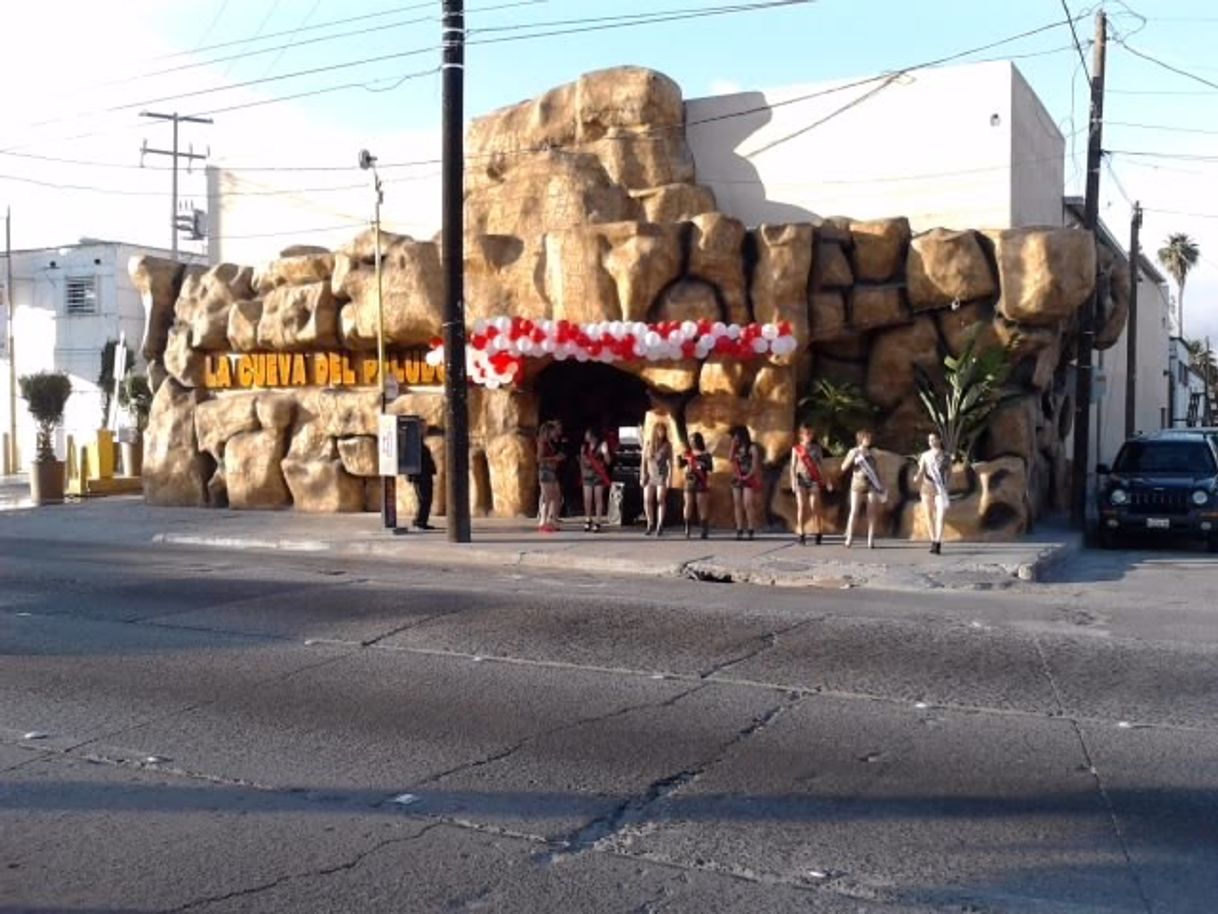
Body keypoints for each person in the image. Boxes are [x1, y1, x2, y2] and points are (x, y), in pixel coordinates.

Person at [840, 429, 888, 549]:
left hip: (871, 485)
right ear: (861, 439)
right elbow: (843, 467)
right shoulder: (854, 451)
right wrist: (852, 458)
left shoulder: (872, 453)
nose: (869, 440)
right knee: (854, 511)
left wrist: (881, 485)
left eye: (870, 438)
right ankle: (849, 538)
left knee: (871, 512)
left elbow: (876, 471)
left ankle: (870, 539)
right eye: (867, 438)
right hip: (857, 485)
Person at [789, 424, 832, 545]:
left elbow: (821, 465)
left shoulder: (816, 448)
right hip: (801, 479)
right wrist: (792, 481)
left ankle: (818, 531)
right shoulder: (796, 449)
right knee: (801, 506)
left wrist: (827, 480)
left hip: (813, 479)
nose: (809, 436)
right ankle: (801, 532)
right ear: (801, 435)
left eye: (811, 434)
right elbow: (793, 467)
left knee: (814, 506)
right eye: (806, 434)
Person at [913, 431, 952, 554]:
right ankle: (933, 541)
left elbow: (949, 472)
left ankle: (938, 540)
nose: (931, 442)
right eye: (929, 440)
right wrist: (917, 477)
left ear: (939, 440)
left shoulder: (946, 456)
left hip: (940, 487)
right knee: (928, 514)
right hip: (927, 487)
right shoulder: (925, 455)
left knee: (940, 515)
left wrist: (946, 485)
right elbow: (921, 470)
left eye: (934, 439)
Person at [729, 425, 763, 540]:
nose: (735, 438)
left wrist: (748, 476)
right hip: (737, 478)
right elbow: (730, 459)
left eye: (736, 436)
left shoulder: (752, 448)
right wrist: (733, 445)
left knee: (748, 503)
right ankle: (739, 529)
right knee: (737, 503)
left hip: (748, 477)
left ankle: (751, 528)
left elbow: (754, 465)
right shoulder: (736, 448)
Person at [641, 420, 674, 535]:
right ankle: (650, 523)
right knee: (647, 499)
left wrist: (670, 477)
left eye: (664, 431)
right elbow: (643, 461)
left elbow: (670, 463)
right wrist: (642, 475)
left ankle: (660, 524)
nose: (663, 433)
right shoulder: (648, 444)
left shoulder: (667, 445)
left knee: (660, 499)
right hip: (650, 475)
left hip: (661, 475)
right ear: (656, 431)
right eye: (661, 431)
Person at [579, 427, 613, 533]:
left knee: (598, 498)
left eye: (588, 434)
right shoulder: (584, 447)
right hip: (587, 475)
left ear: (593, 436)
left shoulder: (602, 445)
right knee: (587, 498)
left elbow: (608, 462)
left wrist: (605, 452)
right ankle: (588, 519)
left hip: (598, 475)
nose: (586, 436)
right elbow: (581, 460)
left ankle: (598, 521)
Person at [681, 431, 713, 539]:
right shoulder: (687, 454)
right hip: (689, 481)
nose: (692, 442)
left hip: (701, 480)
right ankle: (687, 527)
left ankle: (704, 529)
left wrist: (701, 465)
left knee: (701, 505)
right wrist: (683, 459)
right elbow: (680, 465)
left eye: (694, 440)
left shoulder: (706, 455)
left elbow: (710, 469)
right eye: (690, 440)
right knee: (688, 503)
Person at [536, 420, 565, 533]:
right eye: (553, 431)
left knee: (555, 495)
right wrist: (554, 459)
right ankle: (543, 521)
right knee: (547, 497)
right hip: (545, 471)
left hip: (551, 470)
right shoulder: (542, 442)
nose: (555, 434)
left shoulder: (549, 443)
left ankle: (550, 520)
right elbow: (539, 459)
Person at [409, 439, 437, 531]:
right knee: (424, 499)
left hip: (424, 476)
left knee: (424, 500)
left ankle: (422, 520)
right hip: (421, 477)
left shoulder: (420, 448)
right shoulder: (417, 449)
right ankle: (420, 521)